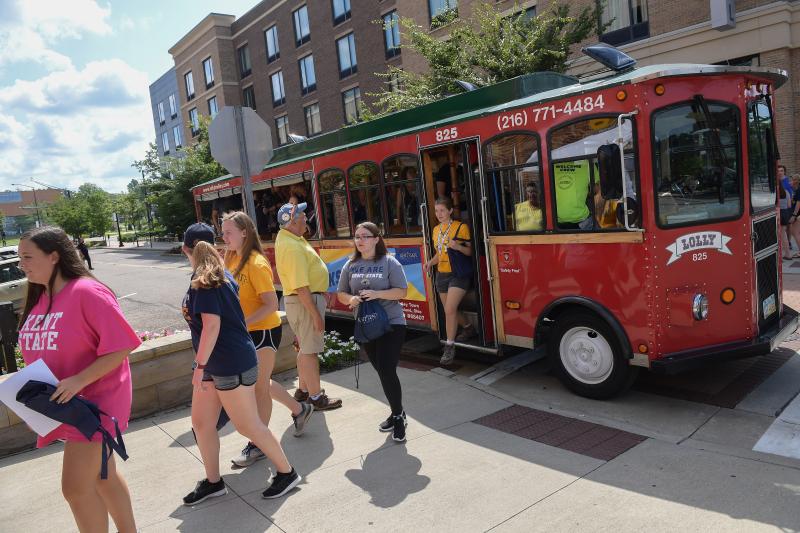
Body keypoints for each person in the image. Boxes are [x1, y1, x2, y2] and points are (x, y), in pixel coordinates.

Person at [17, 226, 141, 533]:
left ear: (54, 256)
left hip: (93, 405)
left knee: (74, 488)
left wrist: (79, 380)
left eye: (27, 257)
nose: (22, 265)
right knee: (103, 475)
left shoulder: (87, 291)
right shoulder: (42, 296)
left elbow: (123, 343)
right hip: (64, 403)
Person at [180, 223, 301, 504]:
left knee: (248, 425)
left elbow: (211, 326)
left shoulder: (207, 279)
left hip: (229, 363)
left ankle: (287, 473)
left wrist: (199, 367)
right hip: (215, 362)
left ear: (187, 250)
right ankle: (214, 482)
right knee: (201, 423)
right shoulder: (213, 274)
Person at [221, 212, 314, 468]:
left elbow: (272, 304)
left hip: (262, 332)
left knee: (258, 387)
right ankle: (299, 409)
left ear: (244, 233)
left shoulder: (256, 263)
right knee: (260, 382)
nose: (224, 236)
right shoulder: (230, 258)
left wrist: (242, 323)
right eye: (223, 231)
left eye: (229, 232)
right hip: (245, 332)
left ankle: (258, 445)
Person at [337, 222, 409, 442]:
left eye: (365, 236)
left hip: (392, 323)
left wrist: (377, 294)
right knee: (382, 371)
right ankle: (398, 410)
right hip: (367, 324)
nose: (360, 240)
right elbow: (341, 293)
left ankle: (398, 418)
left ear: (377, 239)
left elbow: (402, 291)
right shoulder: (350, 265)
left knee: (387, 369)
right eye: (357, 236)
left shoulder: (390, 262)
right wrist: (352, 299)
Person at [274, 203, 342, 409]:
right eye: (302, 215)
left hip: (305, 299)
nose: (306, 217)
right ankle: (315, 397)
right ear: (292, 222)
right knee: (309, 351)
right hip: (304, 302)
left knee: (304, 347)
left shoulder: (292, 238)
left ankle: (303, 390)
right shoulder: (292, 246)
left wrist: (320, 291)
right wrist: (315, 314)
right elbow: (301, 287)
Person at [424, 197, 473, 365]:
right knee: (448, 309)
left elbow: (470, 252)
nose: (439, 214)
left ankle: (449, 346)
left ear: (450, 210)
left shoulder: (461, 227)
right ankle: (468, 328)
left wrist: (458, 246)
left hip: (458, 274)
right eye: (437, 211)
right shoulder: (436, 230)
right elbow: (440, 254)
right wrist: (430, 262)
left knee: (450, 309)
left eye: (442, 210)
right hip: (441, 275)